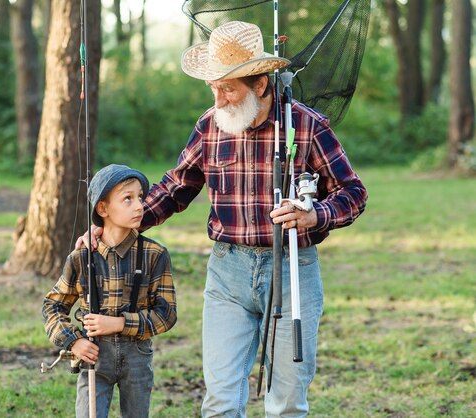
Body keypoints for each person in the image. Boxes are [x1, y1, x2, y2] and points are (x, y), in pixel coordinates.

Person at [77, 20, 367, 417]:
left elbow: (354, 193)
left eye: (228, 88)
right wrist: (114, 228)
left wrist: (315, 214)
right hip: (228, 271)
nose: (219, 98)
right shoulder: (210, 127)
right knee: (220, 400)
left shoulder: (306, 126)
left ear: (260, 85)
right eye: (213, 86)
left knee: (286, 402)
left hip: (292, 270)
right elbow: (175, 187)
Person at [43, 164, 177, 418]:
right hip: (94, 356)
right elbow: (53, 306)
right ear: (102, 209)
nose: (139, 205)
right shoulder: (81, 258)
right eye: (128, 199)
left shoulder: (155, 254)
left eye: (140, 197)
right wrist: (74, 341)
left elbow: (166, 314)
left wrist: (117, 323)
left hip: (137, 357)